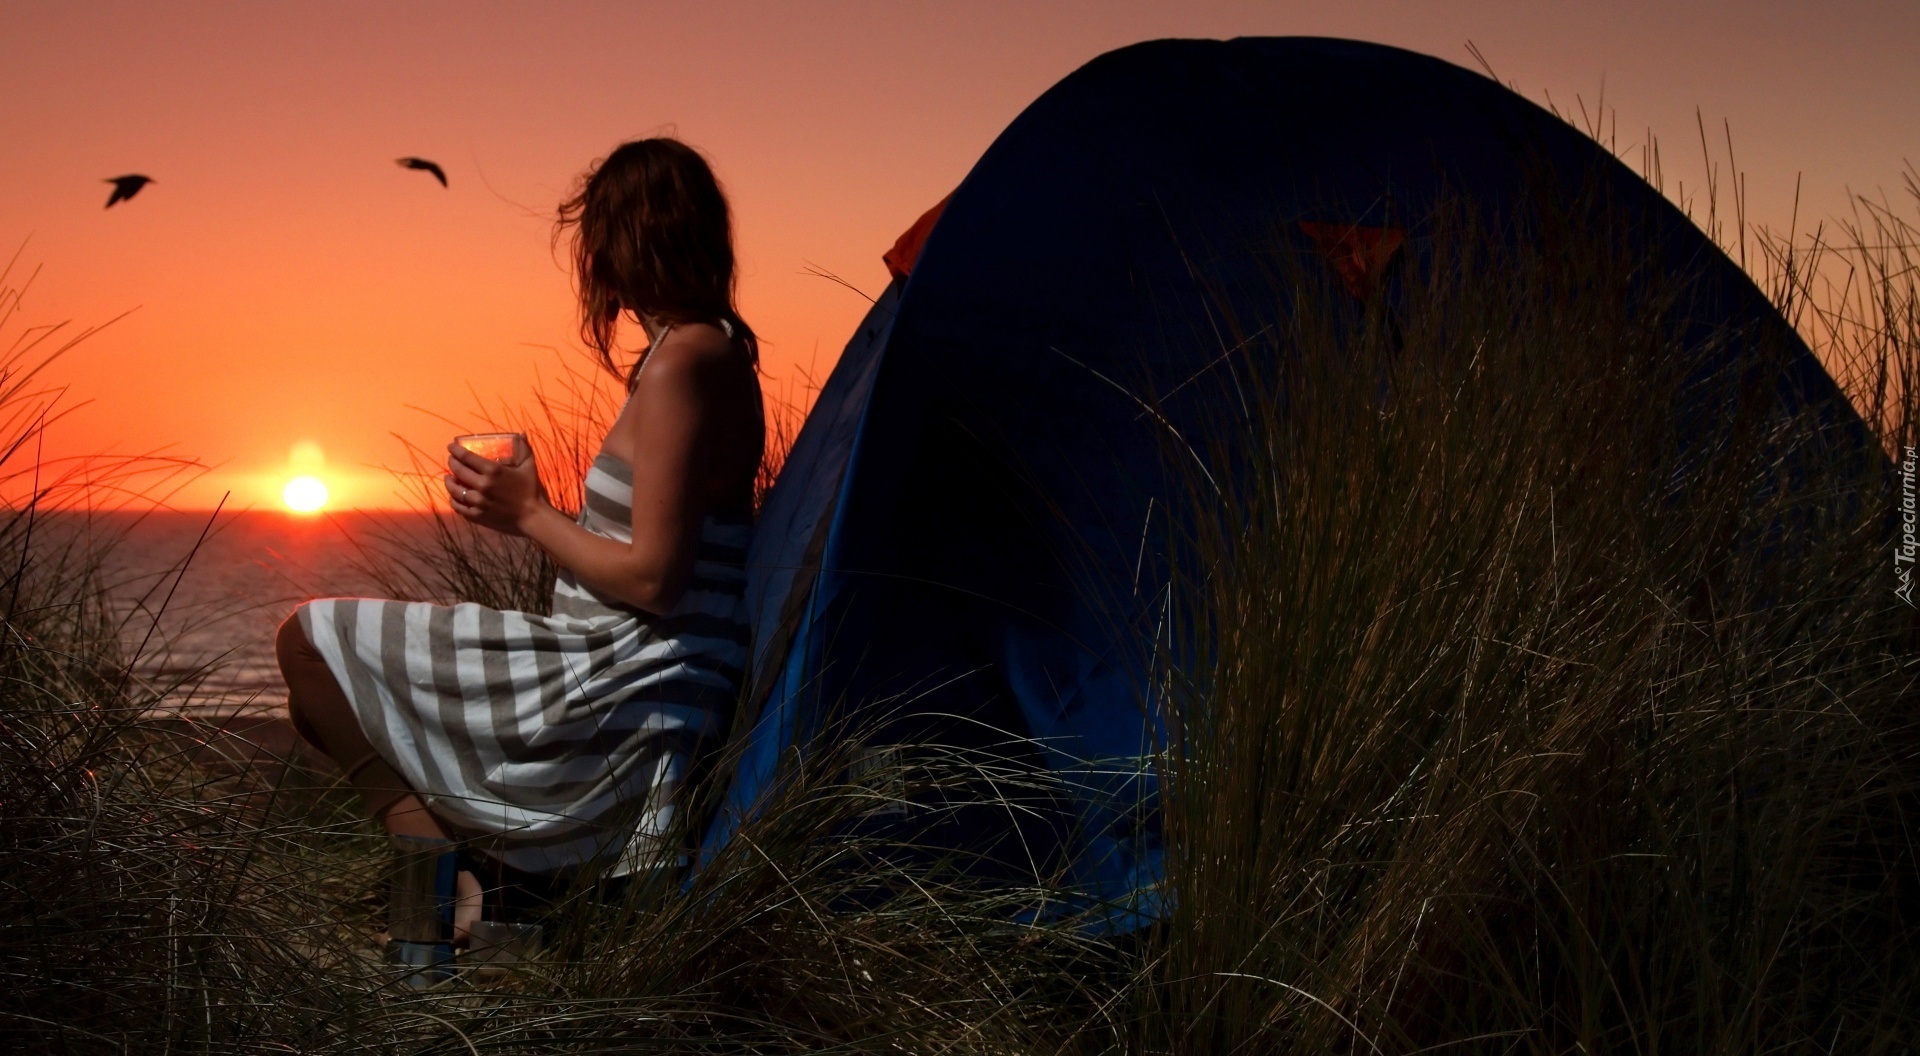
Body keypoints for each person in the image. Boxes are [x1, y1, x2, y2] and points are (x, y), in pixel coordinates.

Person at [275, 137, 764, 974]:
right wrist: (526, 514)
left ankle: (433, 892)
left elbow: (654, 577)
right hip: (629, 666)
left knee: (310, 643)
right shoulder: (705, 352)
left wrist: (528, 512)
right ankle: (457, 888)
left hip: (619, 679)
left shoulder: (688, 359)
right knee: (328, 701)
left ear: (620, 242)